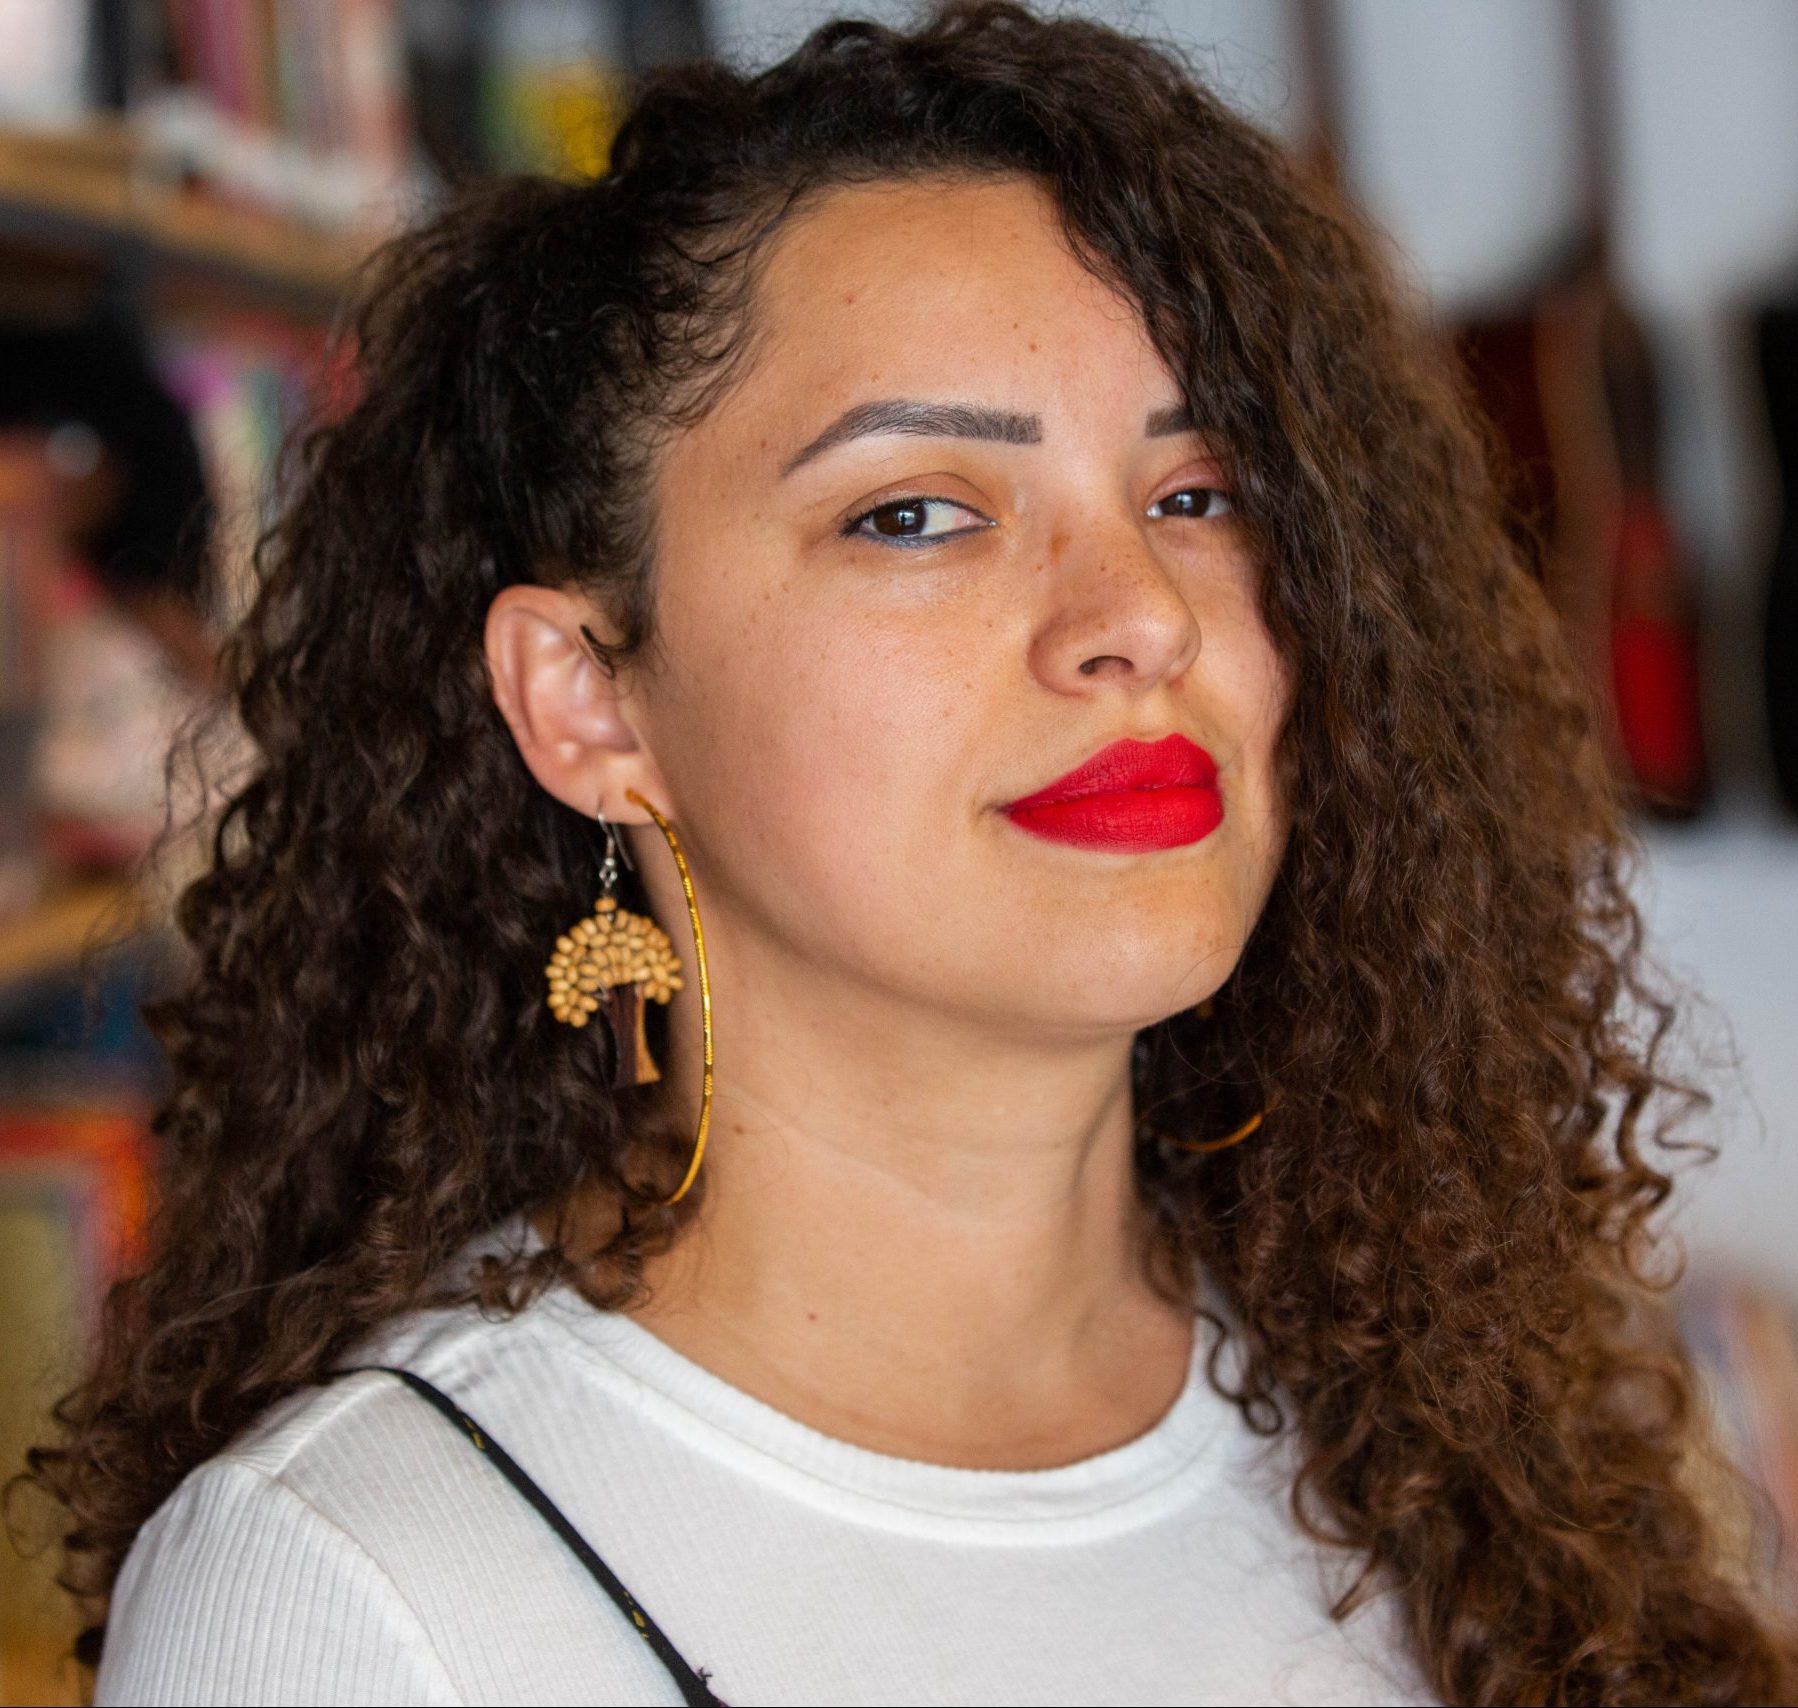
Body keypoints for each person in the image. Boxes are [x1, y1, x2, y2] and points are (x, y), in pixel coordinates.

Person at [25, 3, 1797, 1701]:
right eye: (917, 515)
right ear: (587, 700)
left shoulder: (1462, 1408)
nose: (1138, 619)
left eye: (1196, 497)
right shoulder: (362, 1589)